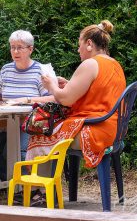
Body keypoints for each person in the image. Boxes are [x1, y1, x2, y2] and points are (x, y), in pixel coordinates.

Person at [26, 20, 126, 169]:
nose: (78, 50)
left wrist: (51, 86)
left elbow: (65, 99)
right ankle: (43, 188)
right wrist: (69, 85)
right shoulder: (114, 64)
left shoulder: (90, 63)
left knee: (38, 136)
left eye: (80, 45)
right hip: (116, 130)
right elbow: (99, 93)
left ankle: (40, 189)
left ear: (89, 44)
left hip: (96, 130)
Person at [0, 30, 54, 182]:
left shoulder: (40, 71)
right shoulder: (6, 69)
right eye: (12, 47)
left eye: (20, 47)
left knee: (19, 151)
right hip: (4, 122)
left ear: (30, 49)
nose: (15, 51)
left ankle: (30, 189)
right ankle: (10, 181)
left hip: (30, 122)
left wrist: (26, 99)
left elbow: (52, 98)